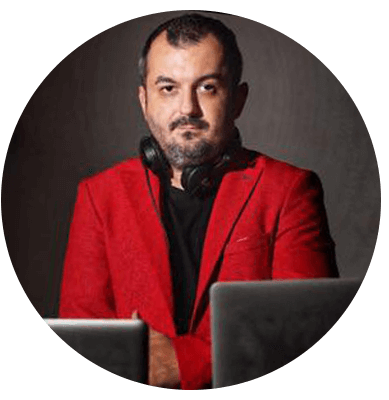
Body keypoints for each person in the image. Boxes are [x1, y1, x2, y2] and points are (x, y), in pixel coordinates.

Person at [59, 13, 339, 390]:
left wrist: (181, 362)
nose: (187, 109)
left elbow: (306, 336)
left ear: (238, 100)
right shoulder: (98, 196)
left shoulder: (290, 190)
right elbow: (85, 345)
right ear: (144, 100)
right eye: (168, 88)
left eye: (207, 87)